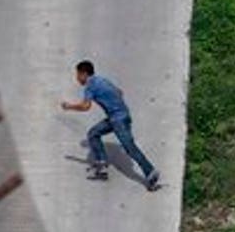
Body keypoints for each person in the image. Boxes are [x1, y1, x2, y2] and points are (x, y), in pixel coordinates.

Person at [60, 59, 160, 191]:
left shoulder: (90, 85)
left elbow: (86, 106)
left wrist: (69, 106)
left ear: (84, 74)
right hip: (118, 117)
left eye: (78, 74)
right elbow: (119, 92)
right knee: (93, 133)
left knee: (129, 147)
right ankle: (102, 167)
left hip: (117, 120)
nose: (77, 78)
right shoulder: (102, 80)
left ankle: (150, 172)